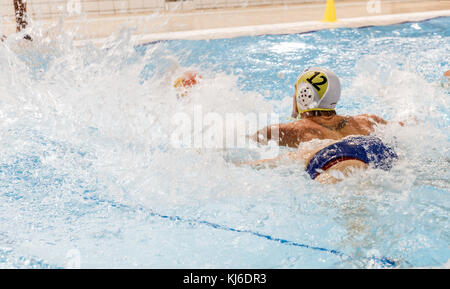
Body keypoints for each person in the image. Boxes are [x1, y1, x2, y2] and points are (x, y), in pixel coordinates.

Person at [249, 67, 398, 183]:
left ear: (304, 95)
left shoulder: (293, 129)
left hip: (333, 159)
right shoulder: (367, 120)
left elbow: (248, 140)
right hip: (375, 152)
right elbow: (402, 128)